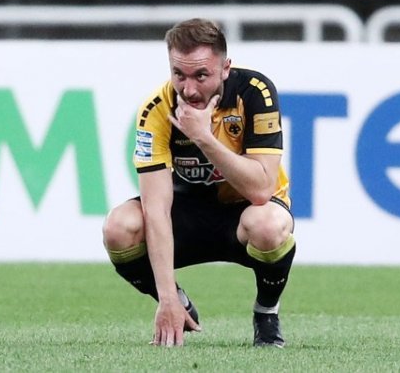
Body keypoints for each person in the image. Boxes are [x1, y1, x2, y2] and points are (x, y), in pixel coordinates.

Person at [101, 18, 295, 347]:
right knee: (119, 228)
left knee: (268, 225)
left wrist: (203, 138)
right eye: (179, 74)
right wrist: (166, 297)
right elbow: (156, 210)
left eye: (201, 75)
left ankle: (266, 312)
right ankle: (178, 303)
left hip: (245, 214)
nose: (189, 89)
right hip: (188, 215)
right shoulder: (156, 110)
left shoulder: (255, 91)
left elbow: (261, 189)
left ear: (225, 69)